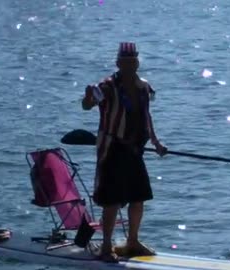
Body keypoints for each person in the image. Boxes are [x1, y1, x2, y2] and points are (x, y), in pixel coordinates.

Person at [81, 42, 167, 262]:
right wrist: (88, 96)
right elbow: (88, 106)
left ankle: (132, 241)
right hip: (113, 149)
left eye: (133, 61)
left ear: (137, 63)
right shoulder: (108, 86)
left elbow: (147, 117)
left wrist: (156, 142)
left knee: (138, 198)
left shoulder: (144, 87)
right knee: (112, 201)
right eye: (126, 62)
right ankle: (107, 246)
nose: (130, 65)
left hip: (135, 149)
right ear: (118, 63)